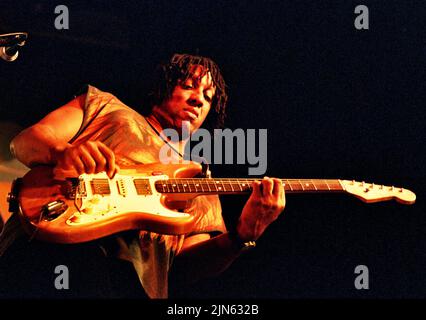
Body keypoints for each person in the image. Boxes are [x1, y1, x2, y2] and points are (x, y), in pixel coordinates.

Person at [0, 53, 285, 298]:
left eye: (208, 97)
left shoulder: (200, 184)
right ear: (164, 86)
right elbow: (25, 141)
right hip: (42, 249)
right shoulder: (107, 107)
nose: (198, 99)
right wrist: (61, 152)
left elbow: (181, 269)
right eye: (189, 86)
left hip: (123, 287)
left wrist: (242, 235)